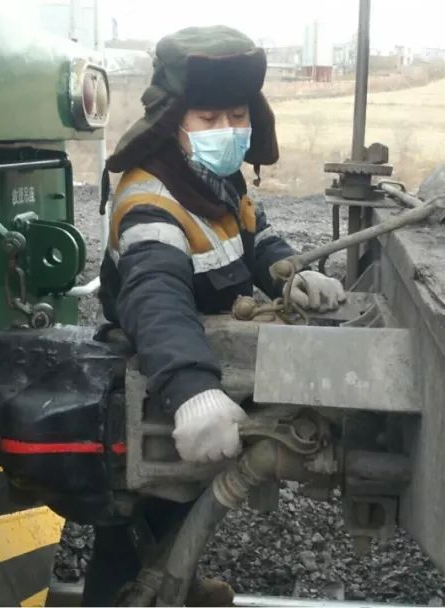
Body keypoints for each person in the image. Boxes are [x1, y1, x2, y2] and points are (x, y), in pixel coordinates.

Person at [87, 25, 346, 605]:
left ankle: (173, 583)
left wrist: (291, 274)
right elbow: (155, 297)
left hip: (199, 353)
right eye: (208, 118)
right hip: (153, 370)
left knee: (183, 498)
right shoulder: (149, 199)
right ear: (173, 122)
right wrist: (190, 389)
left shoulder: (219, 180)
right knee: (134, 515)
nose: (226, 129)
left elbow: (257, 238)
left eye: (237, 115)